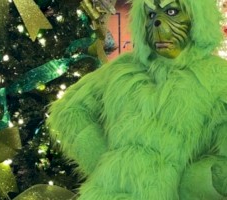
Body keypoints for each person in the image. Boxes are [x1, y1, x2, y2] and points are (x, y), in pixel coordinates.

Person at [47, 0, 227, 199]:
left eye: (172, 11)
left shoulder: (217, 78)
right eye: (150, 15)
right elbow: (69, 110)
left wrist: (190, 183)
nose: (156, 23)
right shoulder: (123, 69)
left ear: (199, 17)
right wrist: (103, 163)